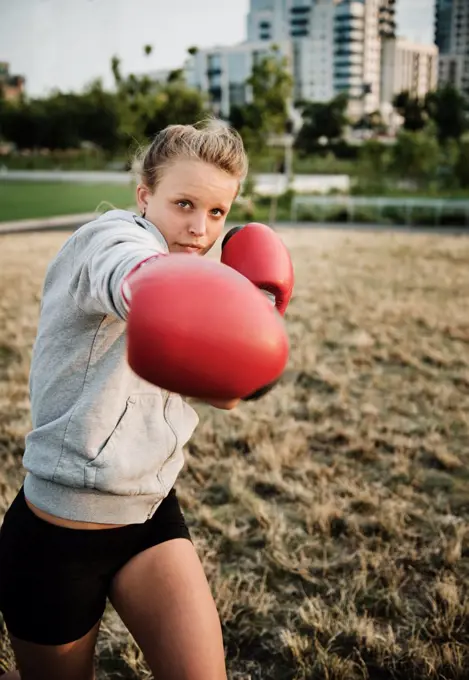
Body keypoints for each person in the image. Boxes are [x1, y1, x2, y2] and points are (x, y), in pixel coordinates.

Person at [0, 118, 293, 680]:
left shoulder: (195, 278)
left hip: (151, 514)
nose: (199, 230)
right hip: (59, 536)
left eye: (216, 213)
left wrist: (252, 323)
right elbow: (130, 275)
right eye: (183, 203)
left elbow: (229, 396)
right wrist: (189, 292)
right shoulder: (108, 241)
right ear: (145, 195)